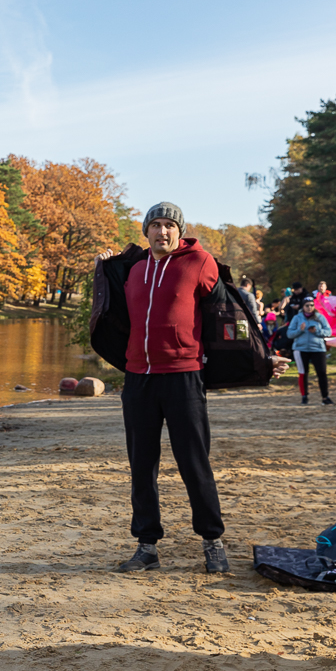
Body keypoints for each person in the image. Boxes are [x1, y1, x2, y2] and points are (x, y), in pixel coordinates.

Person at [96, 202, 234, 574]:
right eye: (155, 225)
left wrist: (251, 360)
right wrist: (107, 264)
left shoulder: (199, 262)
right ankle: (147, 546)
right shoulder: (136, 270)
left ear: (179, 230)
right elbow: (112, 305)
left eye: (169, 225)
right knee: (142, 464)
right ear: (147, 232)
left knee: (193, 461)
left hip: (183, 375)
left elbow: (225, 310)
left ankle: (212, 541)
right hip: (138, 377)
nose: (163, 231)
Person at [287, 294, 333, 406]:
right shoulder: (297, 318)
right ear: (303, 306)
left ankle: (325, 397)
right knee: (303, 373)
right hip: (301, 349)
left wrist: (317, 331)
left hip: (318, 349)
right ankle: (304, 396)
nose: (309, 307)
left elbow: (329, 332)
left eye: (312, 305)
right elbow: (289, 334)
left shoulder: (320, 317)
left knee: (322, 373)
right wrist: (300, 330)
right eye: (307, 305)